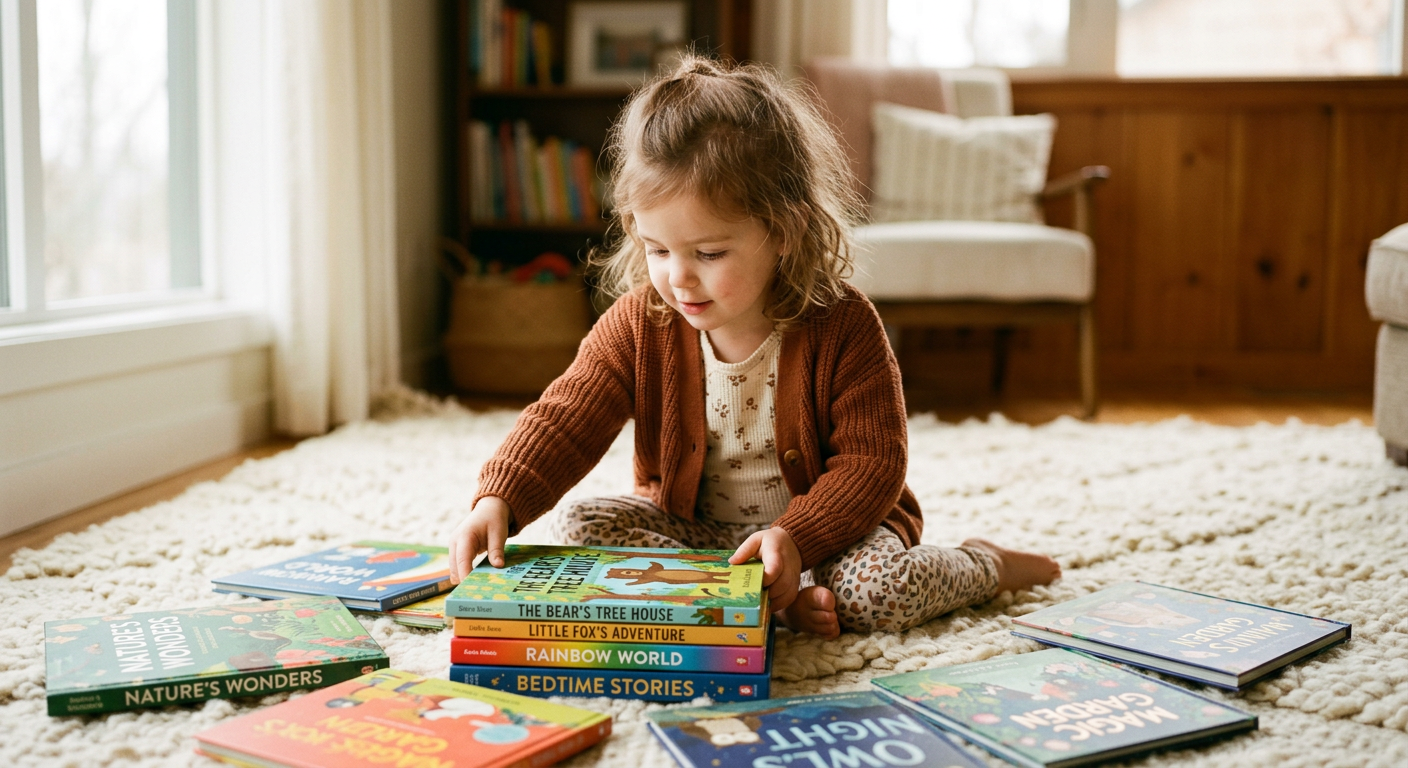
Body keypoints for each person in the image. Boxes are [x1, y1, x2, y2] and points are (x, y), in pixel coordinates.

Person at [448, 54, 1059, 638]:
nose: (678, 277)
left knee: (878, 593)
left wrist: (796, 538)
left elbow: (873, 464)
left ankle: (985, 565)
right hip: (700, 535)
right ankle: (764, 605)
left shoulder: (844, 324)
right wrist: (500, 494)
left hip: (826, 537)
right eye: (658, 250)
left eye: (709, 253)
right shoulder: (642, 322)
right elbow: (567, 415)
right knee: (582, 528)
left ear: (785, 232)